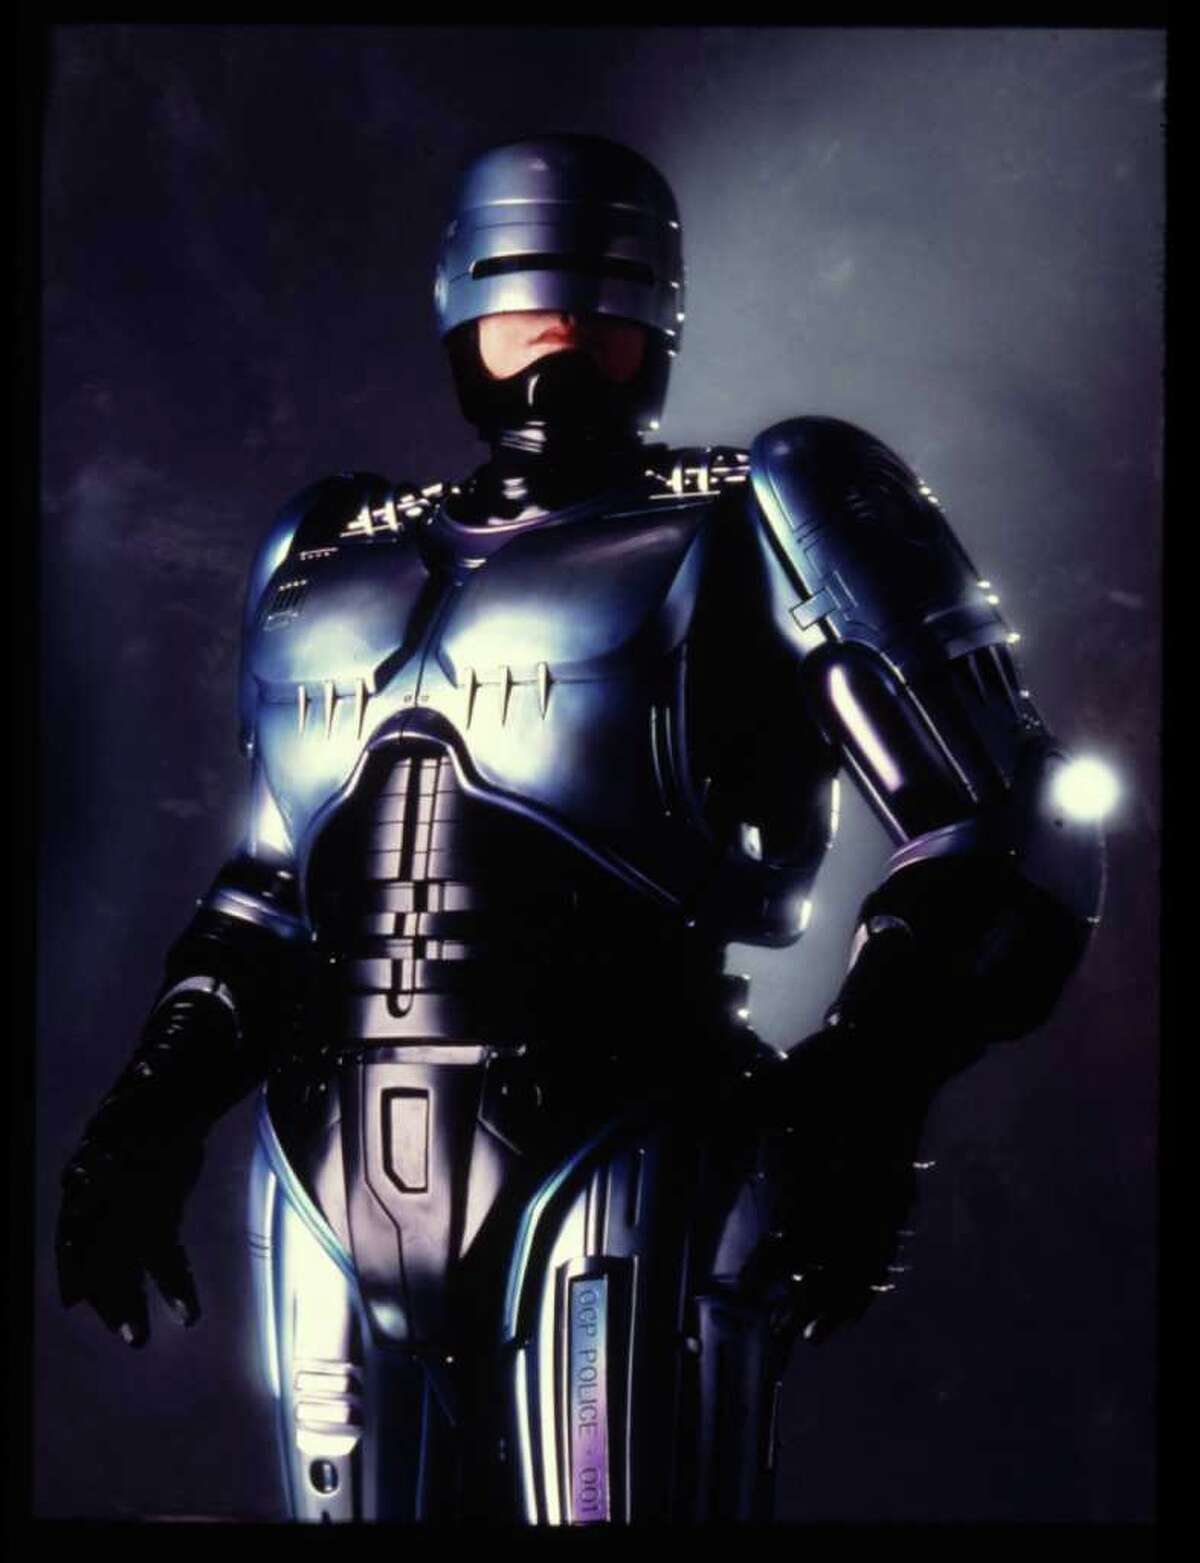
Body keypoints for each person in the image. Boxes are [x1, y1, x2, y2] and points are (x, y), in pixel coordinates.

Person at [56, 134, 1104, 1524]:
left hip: (631, 1154)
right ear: (460, 304)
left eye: (596, 310)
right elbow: (272, 894)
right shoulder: (329, 551)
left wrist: (864, 1085)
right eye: (526, 301)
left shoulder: (761, 511)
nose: (557, 343)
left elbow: (1008, 826)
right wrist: (148, 1113)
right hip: (324, 1178)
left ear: (654, 319)